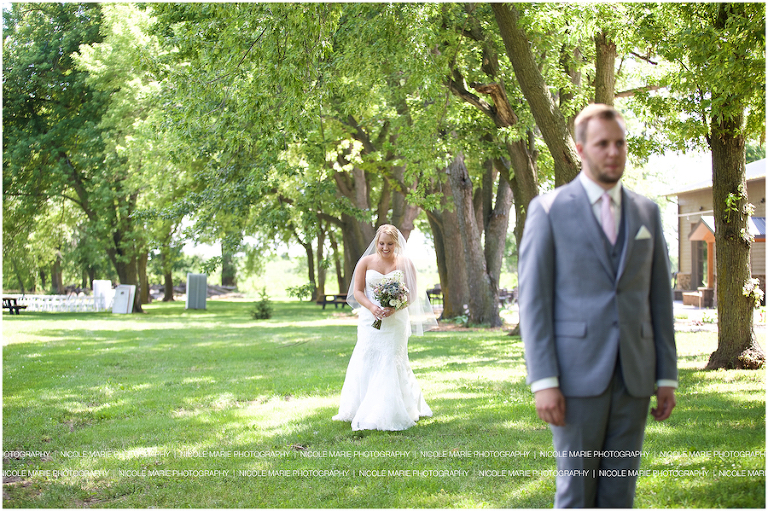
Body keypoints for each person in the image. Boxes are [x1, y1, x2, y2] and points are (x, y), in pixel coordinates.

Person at [518, 104, 678, 508]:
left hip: (635, 376)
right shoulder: (549, 210)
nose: (613, 152)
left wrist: (666, 376)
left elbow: (659, 299)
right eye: (602, 143)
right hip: (575, 378)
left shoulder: (647, 212)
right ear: (580, 149)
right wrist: (544, 380)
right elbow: (534, 303)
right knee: (576, 492)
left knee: (620, 493)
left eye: (620, 143)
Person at [333, 224, 438, 431]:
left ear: (396, 244)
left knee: (391, 359)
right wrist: (373, 307)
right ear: (377, 242)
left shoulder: (405, 263)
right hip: (369, 321)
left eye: (390, 244)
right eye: (382, 243)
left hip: (396, 322)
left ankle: (390, 411)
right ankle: (361, 407)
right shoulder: (365, 262)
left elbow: (412, 294)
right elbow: (358, 292)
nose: (385, 247)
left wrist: (395, 307)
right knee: (367, 358)